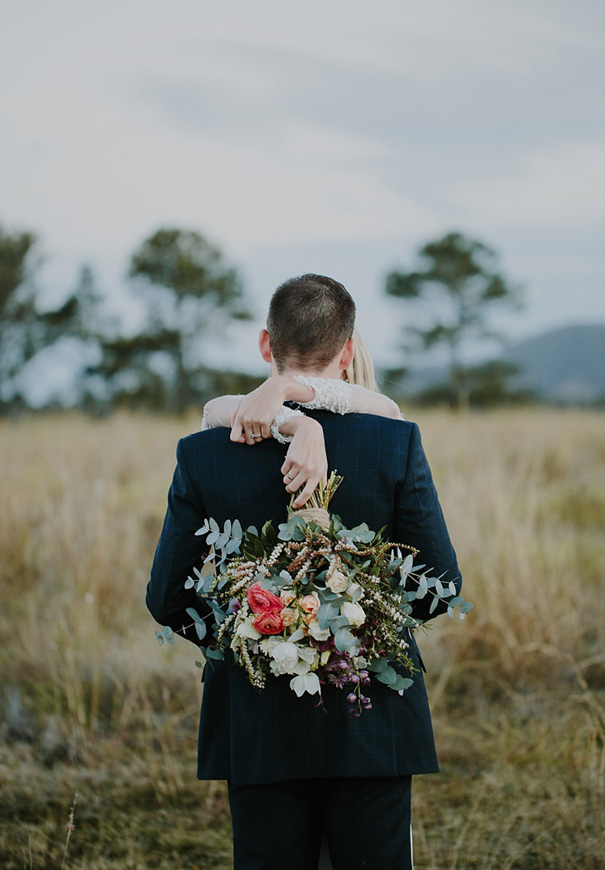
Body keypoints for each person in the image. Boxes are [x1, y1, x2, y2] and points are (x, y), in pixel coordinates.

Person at [147, 274, 461, 870]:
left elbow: (168, 596)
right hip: (372, 715)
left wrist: (252, 636)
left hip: (258, 720)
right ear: (347, 350)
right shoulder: (395, 442)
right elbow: (440, 587)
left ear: (266, 345)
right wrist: (368, 629)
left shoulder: (204, 451)